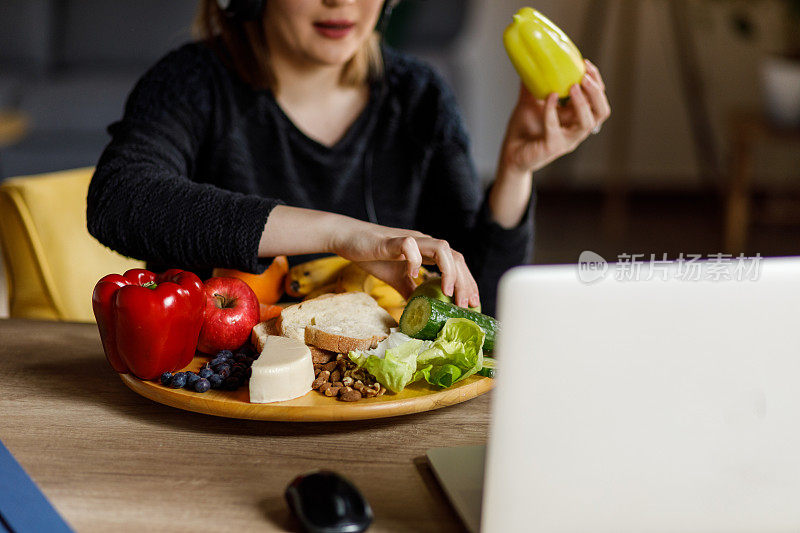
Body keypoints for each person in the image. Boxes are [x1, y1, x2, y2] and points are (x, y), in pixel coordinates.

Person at [87, 0, 610, 316]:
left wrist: (517, 169)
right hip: (221, 406)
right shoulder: (191, 81)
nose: (341, 2)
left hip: (380, 411)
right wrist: (342, 234)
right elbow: (119, 197)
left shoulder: (420, 96)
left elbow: (480, 308)